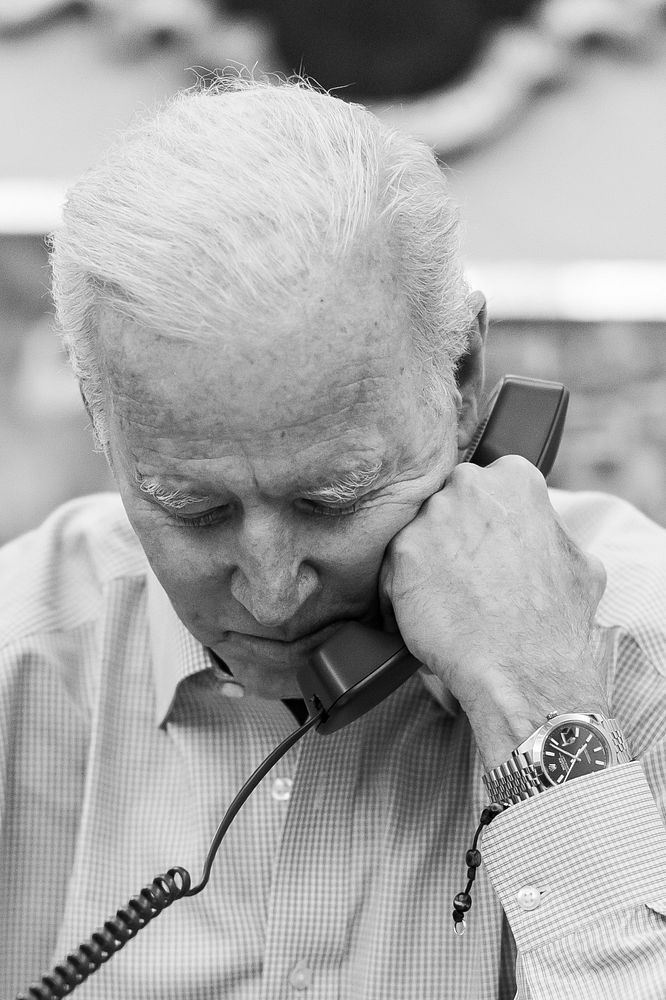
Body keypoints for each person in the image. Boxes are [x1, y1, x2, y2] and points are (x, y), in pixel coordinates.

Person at [1, 78, 665, 999]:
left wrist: (540, 720)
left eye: (334, 499)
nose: (272, 592)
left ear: (463, 377)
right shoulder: (22, 660)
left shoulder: (645, 657)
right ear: (99, 419)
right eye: (195, 510)